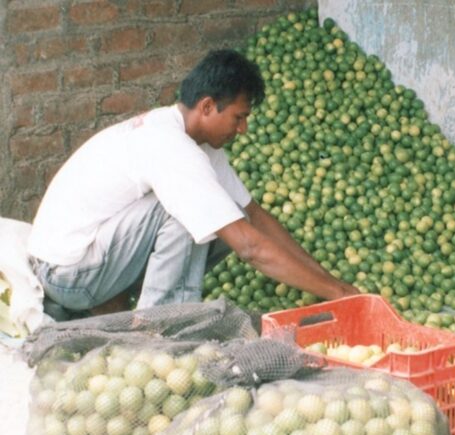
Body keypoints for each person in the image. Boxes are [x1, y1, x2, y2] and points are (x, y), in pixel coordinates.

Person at [27, 49, 358, 319]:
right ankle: (163, 329)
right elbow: (249, 246)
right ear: (208, 106)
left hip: (92, 261)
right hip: (67, 275)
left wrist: (330, 284)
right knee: (192, 213)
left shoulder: (198, 144)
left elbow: (254, 218)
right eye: (238, 117)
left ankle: (127, 307)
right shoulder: (169, 145)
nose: (242, 129)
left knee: (225, 213)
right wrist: (339, 294)